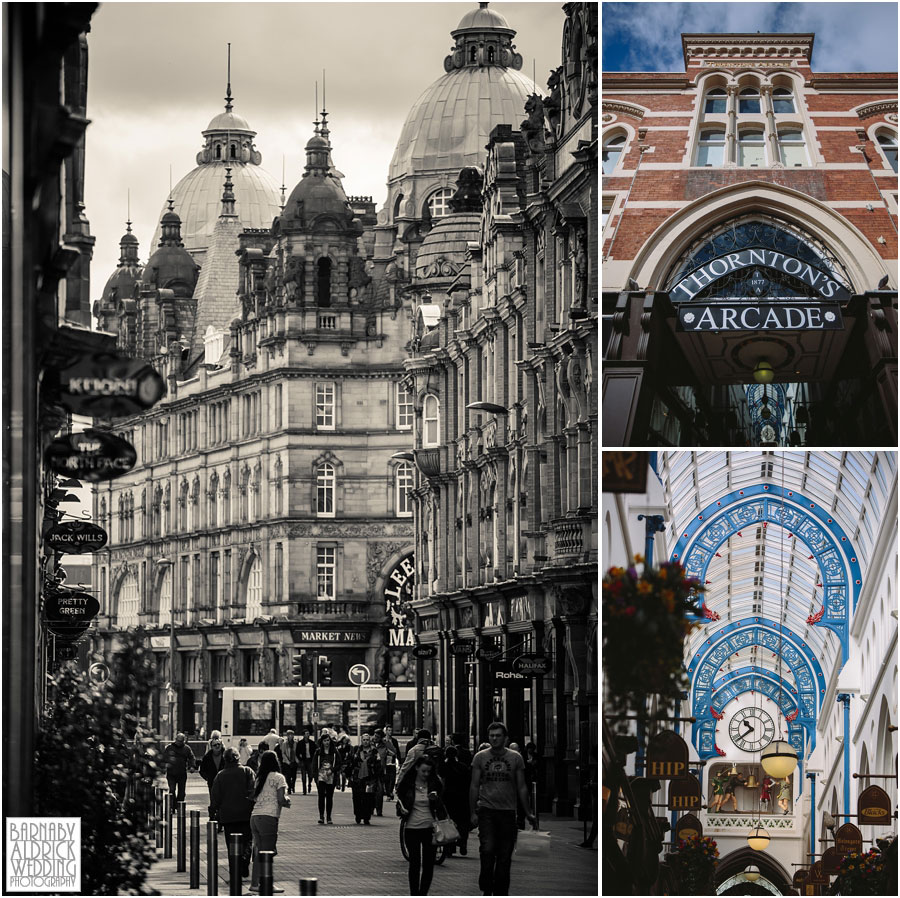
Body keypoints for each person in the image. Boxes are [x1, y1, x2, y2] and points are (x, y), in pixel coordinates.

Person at [469, 722, 537, 897]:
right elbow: (474, 785)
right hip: (486, 810)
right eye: (491, 735)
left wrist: (528, 812)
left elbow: (522, 787)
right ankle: (486, 882)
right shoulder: (479, 757)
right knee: (488, 849)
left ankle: (500, 891)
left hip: (507, 812)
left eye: (498, 735)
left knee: (505, 855)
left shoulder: (515, 758)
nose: (494, 738)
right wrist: (472, 812)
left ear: (505, 738)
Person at [396, 754, 448, 896]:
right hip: (412, 828)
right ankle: (414, 893)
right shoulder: (407, 784)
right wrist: (402, 810)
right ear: (417, 768)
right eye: (423, 771)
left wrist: (436, 799)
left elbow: (441, 806)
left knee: (428, 864)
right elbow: (399, 805)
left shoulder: (434, 784)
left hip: (430, 828)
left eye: (429, 771)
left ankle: (423, 893)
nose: (426, 774)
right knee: (414, 863)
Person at [210, 748, 255, 881]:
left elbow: (215, 797)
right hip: (245, 815)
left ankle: (234, 873)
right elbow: (253, 791)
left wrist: (213, 812)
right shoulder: (247, 771)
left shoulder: (220, 775)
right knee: (247, 842)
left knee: (232, 846)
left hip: (228, 816)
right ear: (238, 758)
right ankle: (244, 862)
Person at [249, 750, 289, 894]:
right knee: (268, 853)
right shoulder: (279, 778)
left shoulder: (259, 778)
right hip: (269, 817)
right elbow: (280, 799)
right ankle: (267, 884)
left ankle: (255, 883)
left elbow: (255, 797)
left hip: (255, 817)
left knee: (259, 852)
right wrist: (287, 801)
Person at [440, 745, 472, 856]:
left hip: (448, 797)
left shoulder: (444, 767)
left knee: (449, 821)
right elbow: (469, 782)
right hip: (462, 797)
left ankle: (450, 846)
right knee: (463, 822)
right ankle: (463, 843)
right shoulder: (463, 767)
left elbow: (442, 782)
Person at [349, 732, 381, 824]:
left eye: (367, 740)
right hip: (358, 778)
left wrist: (376, 776)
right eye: (364, 740)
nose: (365, 742)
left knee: (369, 798)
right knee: (357, 797)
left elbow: (378, 765)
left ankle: (367, 817)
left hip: (369, 778)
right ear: (361, 740)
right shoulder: (356, 750)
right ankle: (358, 816)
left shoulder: (374, 751)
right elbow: (351, 762)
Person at [313, 732, 341, 824]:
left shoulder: (334, 752)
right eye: (325, 741)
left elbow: (339, 764)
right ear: (322, 742)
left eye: (328, 740)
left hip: (331, 776)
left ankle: (329, 817)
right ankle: (321, 816)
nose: (327, 742)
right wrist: (315, 776)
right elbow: (314, 765)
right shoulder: (318, 752)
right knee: (321, 796)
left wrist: (332, 770)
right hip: (321, 776)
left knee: (329, 796)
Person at [163, 732, 196, 804]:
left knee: (181, 792)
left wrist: (192, 766)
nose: (179, 743)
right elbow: (164, 758)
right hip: (171, 773)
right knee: (172, 790)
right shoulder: (169, 748)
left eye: (181, 741)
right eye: (178, 740)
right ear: (175, 739)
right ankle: (172, 805)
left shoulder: (186, 748)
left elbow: (191, 757)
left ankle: (179, 806)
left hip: (182, 773)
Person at [199, 730, 227, 803]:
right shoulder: (207, 757)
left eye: (218, 744)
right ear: (211, 746)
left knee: (224, 800)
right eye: (215, 745)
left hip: (224, 782)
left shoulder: (226, 755)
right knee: (213, 800)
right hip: (212, 781)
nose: (217, 746)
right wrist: (208, 778)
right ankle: (213, 813)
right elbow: (202, 770)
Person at [382, 726, 402, 798]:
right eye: (389, 730)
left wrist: (399, 761)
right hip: (386, 761)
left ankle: (390, 791)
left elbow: (397, 751)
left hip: (393, 761)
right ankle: (388, 793)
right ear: (386, 731)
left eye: (391, 730)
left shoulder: (394, 741)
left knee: (393, 778)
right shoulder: (383, 741)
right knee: (387, 778)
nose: (390, 732)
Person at [297, 730, 316, 795]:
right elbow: (297, 752)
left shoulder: (312, 743)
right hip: (303, 760)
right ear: (304, 735)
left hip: (310, 760)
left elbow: (315, 751)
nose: (308, 735)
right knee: (303, 776)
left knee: (311, 775)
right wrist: (300, 758)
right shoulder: (300, 743)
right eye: (306, 734)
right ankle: (304, 790)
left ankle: (309, 784)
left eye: (308, 734)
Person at [281, 731, 299, 795]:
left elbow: (297, 752)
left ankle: (293, 785)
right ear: (287, 736)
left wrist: (297, 760)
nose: (291, 736)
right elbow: (283, 753)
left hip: (294, 761)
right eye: (289, 735)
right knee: (288, 776)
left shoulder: (296, 743)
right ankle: (289, 788)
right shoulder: (284, 744)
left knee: (294, 776)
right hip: (287, 762)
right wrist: (287, 761)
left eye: (292, 735)